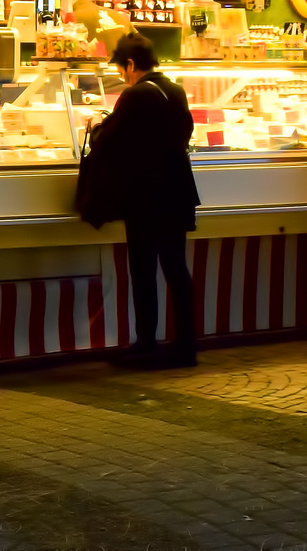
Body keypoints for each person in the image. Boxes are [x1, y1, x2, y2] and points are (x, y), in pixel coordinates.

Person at [76, 34, 201, 368]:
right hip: (177, 190)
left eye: (122, 69)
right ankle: (186, 346)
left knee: (143, 269)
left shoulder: (134, 95)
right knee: (176, 268)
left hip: (146, 196)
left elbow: (110, 142)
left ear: (131, 65)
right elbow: (184, 132)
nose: (123, 76)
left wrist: (97, 125)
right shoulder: (175, 90)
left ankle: (147, 345)